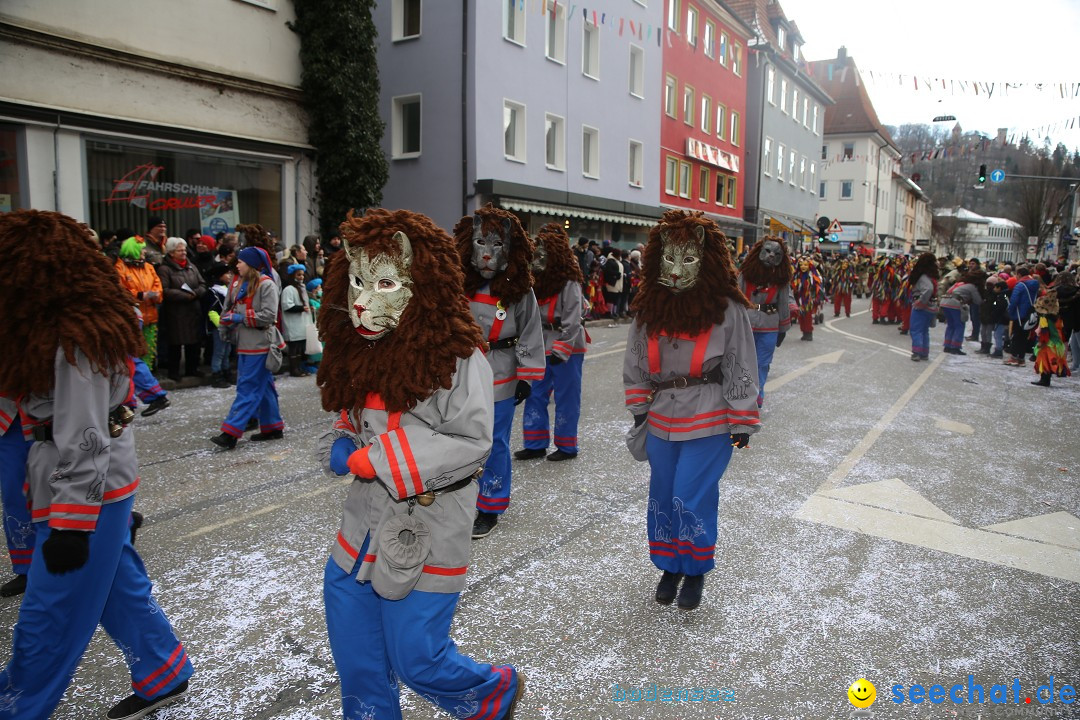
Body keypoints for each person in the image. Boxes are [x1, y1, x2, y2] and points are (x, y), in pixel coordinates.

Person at [316, 208, 525, 720]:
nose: (364, 304)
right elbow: (351, 415)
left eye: (385, 283)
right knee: (358, 662)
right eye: (359, 282)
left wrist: (379, 458)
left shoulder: (460, 357)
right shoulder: (362, 352)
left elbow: (474, 441)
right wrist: (341, 440)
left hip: (426, 526)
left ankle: (491, 693)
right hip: (359, 530)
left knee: (417, 661)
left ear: (421, 282)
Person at [0, 209, 193, 719]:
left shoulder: (78, 335)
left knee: (49, 615)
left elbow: (85, 438)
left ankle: (18, 706)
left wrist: (70, 524)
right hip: (72, 480)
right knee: (116, 587)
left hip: (83, 489)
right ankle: (163, 670)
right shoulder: (49, 328)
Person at [622, 210, 760, 611]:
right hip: (662, 414)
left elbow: (740, 362)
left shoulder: (727, 308)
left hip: (710, 416)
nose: (677, 271)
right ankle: (670, 566)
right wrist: (637, 403)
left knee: (691, 494)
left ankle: (696, 570)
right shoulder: (649, 305)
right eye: (670, 258)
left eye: (688, 259)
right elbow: (635, 357)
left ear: (707, 256)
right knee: (663, 495)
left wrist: (743, 417)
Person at [454, 205, 544, 539]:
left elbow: (532, 331)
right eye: (481, 244)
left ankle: (490, 506)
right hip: (460, 376)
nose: (488, 254)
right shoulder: (459, 285)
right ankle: (459, 500)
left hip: (501, 376)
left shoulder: (520, 291)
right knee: (459, 439)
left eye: (497, 246)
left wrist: (527, 375)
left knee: (495, 443)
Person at [515, 223, 587, 462]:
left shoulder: (569, 280)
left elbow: (574, 316)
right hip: (541, 343)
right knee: (535, 394)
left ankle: (567, 446)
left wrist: (563, 347)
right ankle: (535, 443)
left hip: (566, 345)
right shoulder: (536, 279)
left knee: (567, 398)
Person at [211, 247, 285, 449]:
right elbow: (232, 308)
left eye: (241, 262)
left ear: (251, 264)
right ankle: (272, 427)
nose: (237, 265)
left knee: (248, 388)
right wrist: (227, 323)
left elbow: (269, 316)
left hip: (260, 344)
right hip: (246, 344)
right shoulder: (241, 283)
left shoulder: (266, 284)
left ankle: (230, 433)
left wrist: (241, 318)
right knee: (264, 386)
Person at [737, 237, 792, 407]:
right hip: (746, 323)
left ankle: (758, 393)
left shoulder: (781, 279)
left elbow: (783, 303)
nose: (771, 255)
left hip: (769, 325)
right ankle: (742, 392)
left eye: (776, 253)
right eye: (767, 251)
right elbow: (735, 297)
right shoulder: (745, 274)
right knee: (743, 361)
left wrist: (783, 329)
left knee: (762, 363)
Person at [157, 237, 207, 381]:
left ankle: (192, 369)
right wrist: (185, 296)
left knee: (194, 342)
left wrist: (196, 293)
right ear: (171, 252)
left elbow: (202, 284)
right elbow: (164, 290)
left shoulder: (191, 266)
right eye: (180, 250)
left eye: (184, 249)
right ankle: (174, 372)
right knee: (176, 344)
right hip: (176, 312)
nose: (184, 252)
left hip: (193, 310)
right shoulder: (165, 269)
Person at [0, 395, 35, 597]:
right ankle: (28, 565)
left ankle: (121, 529)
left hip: (56, 411)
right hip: (10, 421)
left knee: (70, 486)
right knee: (16, 494)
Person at [114, 236, 164, 369]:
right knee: (132, 353)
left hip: (150, 317)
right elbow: (121, 291)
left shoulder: (148, 267)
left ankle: (146, 379)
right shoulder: (120, 268)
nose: (145, 252)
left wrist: (155, 295)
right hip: (132, 319)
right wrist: (140, 295)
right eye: (142, 250)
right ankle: (134, 381)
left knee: (147, 352)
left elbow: (157, 286)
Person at [1031, 290, 1071, 387]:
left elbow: (1045, 332)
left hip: (1048, 343)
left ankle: (1044, 379)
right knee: (1050, 361)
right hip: (1056, 342)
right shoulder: (1056, 317)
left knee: (1044, 361)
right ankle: (1046, 379)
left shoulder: (1044, 318)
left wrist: (1042, 342)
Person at [205, 262, 235, 388]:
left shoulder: (227, 290)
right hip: (220, 326)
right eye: (226, 273)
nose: (229, 275)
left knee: (227, 350)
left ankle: (226, 371)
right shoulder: (213, 292)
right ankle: (216, 374)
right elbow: (212, 311)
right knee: (219, 351)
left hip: (229, 325)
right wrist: (221, 324)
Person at [1005, 267, 1041, 367]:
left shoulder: (1020, 285)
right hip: (1029, 314)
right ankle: (1021, 358)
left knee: (1016, 336)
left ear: (1019, 274)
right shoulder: (1034, 284)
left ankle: (1014, 358)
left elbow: (1014, 300)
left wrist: (1010, 311)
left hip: (1019, 314)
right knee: (1024, 337)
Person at [280, 263, 311, 377]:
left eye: (302, 275)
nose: (301, 277)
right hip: (293, 325)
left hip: (301, 325)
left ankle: (300, 368)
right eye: (298, 275)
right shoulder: (289, 289)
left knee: (300, 350)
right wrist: (301, 308)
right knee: (294, 349)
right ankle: (294, 369)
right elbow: (287, 306)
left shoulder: (302, 288)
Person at [939, 272, 981, 355]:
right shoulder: (972, 287)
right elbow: (978, 300)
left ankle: (947, 345)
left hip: (944, 302)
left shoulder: (958, 284)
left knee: (951, 325)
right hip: (955, 303)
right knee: (959, 325)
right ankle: (955, 346)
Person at [908, 252, 939, 362]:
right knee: (924, 331)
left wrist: (921, 302)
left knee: (916, 330)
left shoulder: (923, 277)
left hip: (922, 307)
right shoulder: (932, 276)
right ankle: (924, 352)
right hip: (931, 307)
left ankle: (917, 352)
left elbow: (928, 289)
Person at [791, 256, 824, 341]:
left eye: (805, 265)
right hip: (799, 299)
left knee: (808, 316)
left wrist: (814, 296)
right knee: (801, 315)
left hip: (808, 299)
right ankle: (804, 332)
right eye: (801, 265)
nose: (803, 267)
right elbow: (794, 286)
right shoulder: (796, 275)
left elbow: (817, 285)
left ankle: (809, 332)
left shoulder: (813, 275)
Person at [983, 276, 1010, 359]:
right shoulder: (1003, 296)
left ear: (999, 288)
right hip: (1002, 319)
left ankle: (998, 351)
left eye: (996, 287)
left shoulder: (1002, 297)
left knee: (998, 335)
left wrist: (993, 314)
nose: (994, 289)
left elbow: (999, 307)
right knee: (998, 334)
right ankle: (998, 350)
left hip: (1001, 319)